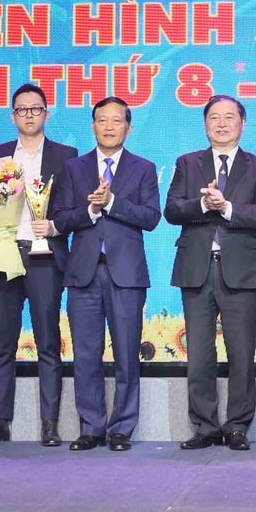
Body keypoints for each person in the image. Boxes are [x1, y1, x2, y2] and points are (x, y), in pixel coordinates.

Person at [164, 95, 256, 451]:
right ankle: (205, 426)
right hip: (196, 268)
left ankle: (238, 425)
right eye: (214, 117)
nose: (222, 123)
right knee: (199, 354)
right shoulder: (187, 163)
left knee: (241, 353)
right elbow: (171, 210)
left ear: (243, 123)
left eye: (230, 117)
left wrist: (226, 207)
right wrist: (202, 204)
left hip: (240, 270)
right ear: (205, 124)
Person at [0, 83, 76, 448]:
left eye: (36, 109)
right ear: (12, 116)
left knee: (48, 340)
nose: (29, 115)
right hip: (5, 254)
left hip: (45, 256)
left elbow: (72, 209)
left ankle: (50, 423)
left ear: (47, 113)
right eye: (22, 109)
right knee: (3, 341)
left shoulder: (67, 156)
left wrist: (56, 226)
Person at [51, 97, 159, 451]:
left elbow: (151, 217)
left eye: (116, 121)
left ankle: (122, 428)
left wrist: (112, 203)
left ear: (128, 127)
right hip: (83, 274)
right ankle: (91, 426)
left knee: (127, 354)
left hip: (126, 275)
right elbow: (60, 219)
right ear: (92, 126)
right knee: (85, 355)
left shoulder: (143, 168)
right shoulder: (73, 168)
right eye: (102, 120)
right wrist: (91, 210)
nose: (109, 127)